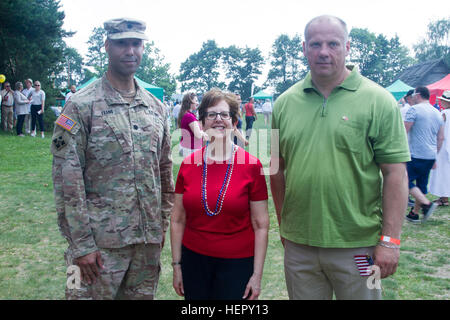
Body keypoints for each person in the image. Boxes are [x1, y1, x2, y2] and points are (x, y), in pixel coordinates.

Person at [270, 15, 410, 300]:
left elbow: (396, 174)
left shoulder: (379, 100)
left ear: (347, 47)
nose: (324, 51)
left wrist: (390, 241)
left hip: (359, 247)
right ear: (304, 48)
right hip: (300, 248)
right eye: (315, 44)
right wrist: (285, 225)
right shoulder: (283, 104)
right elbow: (275, 169)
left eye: (333, 43)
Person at [51, 18, 174, 300]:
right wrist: (81, 245)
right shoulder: (81, 105)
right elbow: (66, 181)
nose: (130, 50)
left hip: (146, 245)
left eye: (136, 43)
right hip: (96, 249)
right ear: (106, 46)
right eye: (122, 43)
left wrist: (161, 226)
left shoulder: (155, 108)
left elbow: (165, 173)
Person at [171, 88, 269, 300]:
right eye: (211, 114)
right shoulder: (188, 164)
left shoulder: (252, 166)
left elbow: (261, 225)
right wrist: (177, 265)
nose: (218, 120)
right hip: (194, 262)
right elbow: (178, 219)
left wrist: (257, 275)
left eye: (224, 115)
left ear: (234, 122)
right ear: (203, 122)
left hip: (238, 263)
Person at [404, 86, 445, 223]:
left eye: (413, 95)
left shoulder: (414, 109)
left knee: (405, 181)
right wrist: (435, 155)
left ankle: (426, 204)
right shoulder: (437, 112)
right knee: (421, 184)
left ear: (419, 95)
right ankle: (414, 213)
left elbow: (404, 131)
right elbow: (440, 137)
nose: (412, 97)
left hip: (415, 153)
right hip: (430, 154)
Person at [429, 91, 450, 207]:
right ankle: (444, 197)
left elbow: (437, 127)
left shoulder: (444, 113)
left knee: (442, 171)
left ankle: (443, 197)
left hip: (443, 145)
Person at [178, 92, 208, 157]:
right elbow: (198, 135)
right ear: (190, 101)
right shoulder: (189, 116)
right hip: (190, 148)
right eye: (196, 101)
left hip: (189, 147)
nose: (197, 103)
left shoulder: (187, 114)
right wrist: (204, 133)